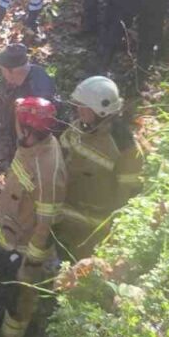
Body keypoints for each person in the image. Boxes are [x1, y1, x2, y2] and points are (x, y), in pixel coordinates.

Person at [0, 97, 67, 337]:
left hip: (26, 250)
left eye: (20, 124)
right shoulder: (31, 143)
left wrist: (30, 266)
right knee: (3, 288)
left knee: (19, 302)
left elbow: (46, 226)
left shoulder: (47, 171)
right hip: (10, 238)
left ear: (29, 130)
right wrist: (20, 107)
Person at [58, 76, 141, 257]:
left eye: (83, 106)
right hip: (66, 213)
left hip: (94, 228)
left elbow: (128, 193)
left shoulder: (123, 145)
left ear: (100, 110)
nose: (78, 110)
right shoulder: (78, 128)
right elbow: (60, 156)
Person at [0, 43, 58, 160]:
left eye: (2, 70)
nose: (2, 72)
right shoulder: (33, 70)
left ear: (11, 72)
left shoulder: (35, 98)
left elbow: (34, 139)